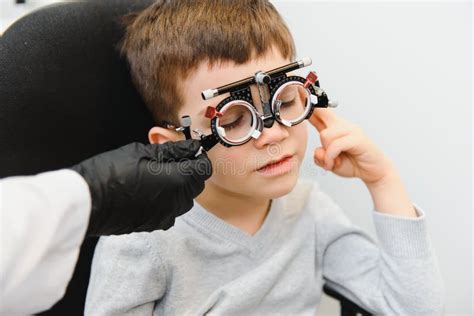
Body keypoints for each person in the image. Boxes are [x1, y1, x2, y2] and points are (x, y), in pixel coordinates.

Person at [84, 1, 445, 315]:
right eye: (233, 120)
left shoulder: (308, 210)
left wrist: (383, 180)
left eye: (285, 101)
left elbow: (414, 309)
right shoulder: (142, 243)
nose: (273, 133)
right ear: (171, 144)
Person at [0, 139, 212, 315]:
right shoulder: (140, 245)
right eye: (232, 122)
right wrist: (93, 192)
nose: (247, 134)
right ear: (169, 140)